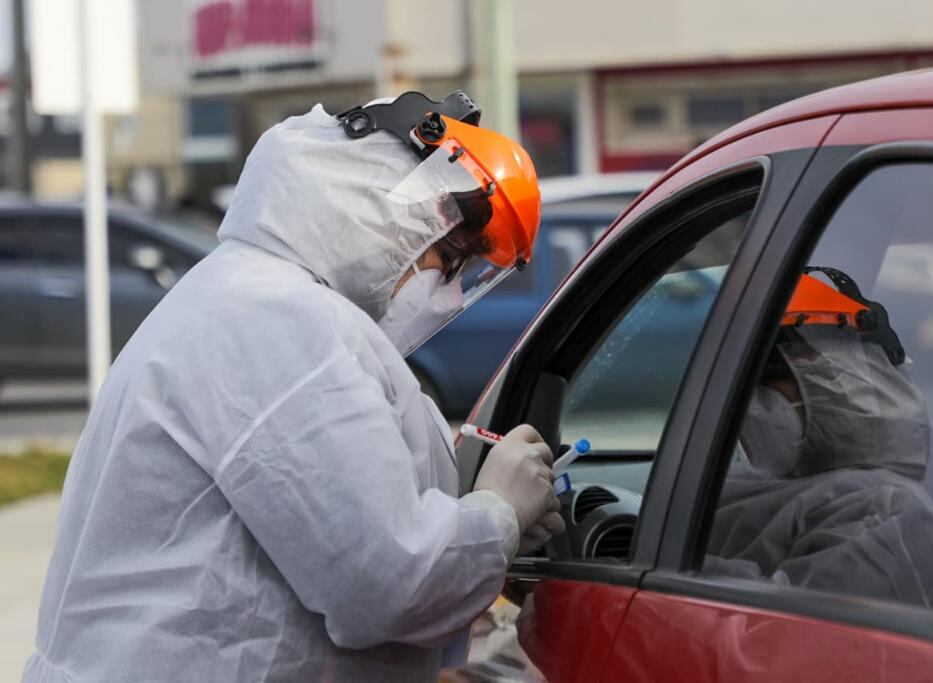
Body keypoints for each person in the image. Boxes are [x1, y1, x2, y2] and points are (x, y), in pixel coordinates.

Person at [24, 91, 565, 682]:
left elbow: (332, 522)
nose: (448, 288)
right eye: (444, 255)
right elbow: (385, 582)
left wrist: (468, 515)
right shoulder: (278, 319)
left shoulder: (250, 298)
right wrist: (498, 514)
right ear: (376, 205)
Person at [704, 269, 933, 607]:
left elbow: (782, 633)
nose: (752, 407)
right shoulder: (755, 489)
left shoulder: (883, 511)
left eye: (767, 379)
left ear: (828, 369)